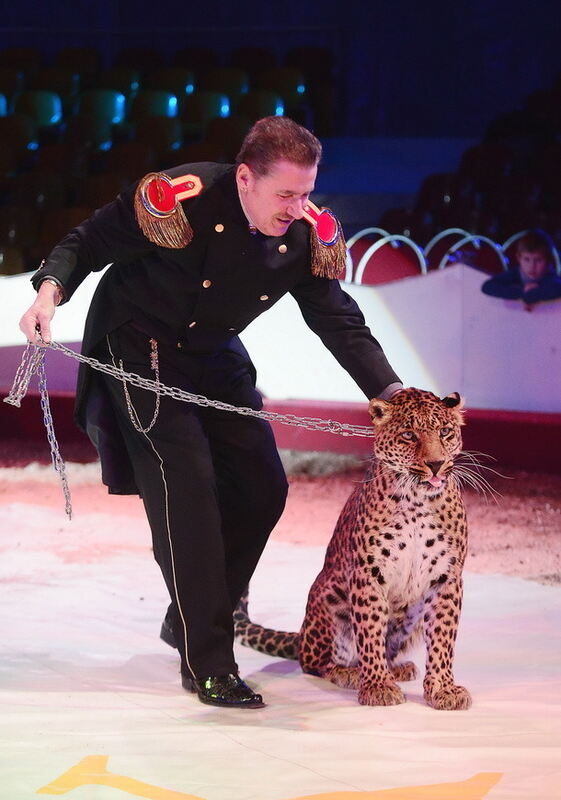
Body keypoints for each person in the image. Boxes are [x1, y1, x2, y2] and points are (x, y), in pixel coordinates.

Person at [19, 116, 402, 710]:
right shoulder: (181, 197)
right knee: (188, 487)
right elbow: (87, 243)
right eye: (286, 194)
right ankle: (210, 663)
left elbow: (339, 320)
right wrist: (48, 293)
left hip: (213, 354)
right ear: (245, 178)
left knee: (263, 487)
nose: (299, 207)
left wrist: (391, 392)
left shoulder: (304, 234)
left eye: (307, 193)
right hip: (139, 344)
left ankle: (194, 616)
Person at [481, 231, 561, 306]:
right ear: (519, 258)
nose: (532, 266)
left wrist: (531, 294)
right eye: (526, 259)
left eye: (538, 260)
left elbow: (557, 288)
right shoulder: (515, 274)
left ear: (548, 260)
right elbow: (487, 287)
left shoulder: (550, 277)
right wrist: (522, 291)